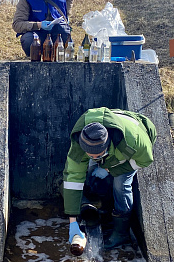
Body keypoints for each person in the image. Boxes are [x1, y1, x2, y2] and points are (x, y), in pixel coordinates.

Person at [63, 107, 156, 249]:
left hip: (133, 144)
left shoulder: (132, 141)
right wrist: (72, 221)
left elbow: (144, 161)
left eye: (97, 155)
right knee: (88, 170)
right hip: (110, 136)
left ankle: (121, 233)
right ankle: (98, 204)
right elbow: (72, 179)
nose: (93, 157)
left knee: (120, 184)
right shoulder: (81, 143)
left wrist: (109, 169)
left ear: (106, 147)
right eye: (89, 155)